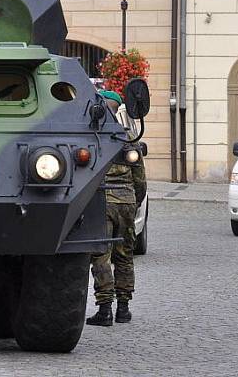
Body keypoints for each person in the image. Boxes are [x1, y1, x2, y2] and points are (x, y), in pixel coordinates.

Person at [87, 90, 147, 327]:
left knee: (101, 255)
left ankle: (104, 309)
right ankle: (124, 308)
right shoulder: (128, 136)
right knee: (124, 255)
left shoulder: (93, 135)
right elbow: (140, 177)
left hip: (101, 201)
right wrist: (135, 199)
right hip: (126, 201)